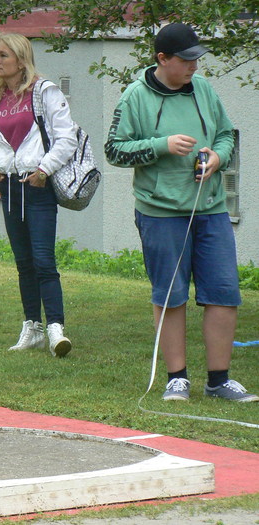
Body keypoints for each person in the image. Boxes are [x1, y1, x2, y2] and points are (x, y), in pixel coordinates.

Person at [105, 23, 257, 402]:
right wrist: (162, 145)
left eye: (197, 59)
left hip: (211, 209)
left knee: (224, 292)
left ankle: (219, 380)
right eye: (186, 60)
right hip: (160, 213)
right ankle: (177, 379)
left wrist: (218, 158)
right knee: (171, 295)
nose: (194, 66)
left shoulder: (203, 89)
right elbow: (114, 150)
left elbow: (226, 134)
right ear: (162, 59)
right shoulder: (135, 97)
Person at [0, 33, 77, 358]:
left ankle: (55, 328)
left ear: (21, 61)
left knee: (43, 259)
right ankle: (32, 327)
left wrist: (44, 170)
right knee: (23, 261)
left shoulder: (44, 91)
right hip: (9, 187)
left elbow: (67, 138)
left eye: (3, 55)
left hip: (38, 186)